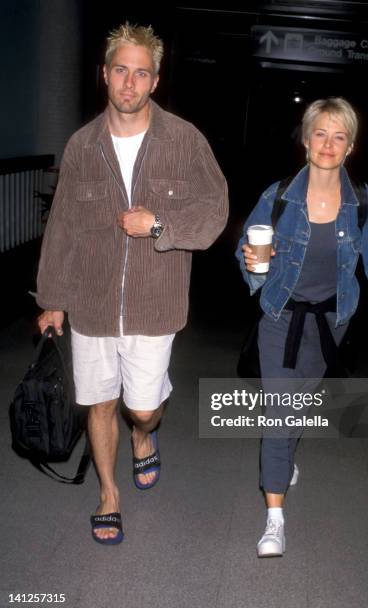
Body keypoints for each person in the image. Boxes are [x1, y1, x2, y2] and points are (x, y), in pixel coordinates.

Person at [36, 22, 228, 545]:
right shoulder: (82, 146)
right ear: (105, 74)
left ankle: (144, 435)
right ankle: (108, 494)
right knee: (98, 401)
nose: (129, 83)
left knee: (140, 406)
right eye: (121, 70)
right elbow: (62, 226)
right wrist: (53, 298)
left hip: (155, 302)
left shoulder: (185, 140)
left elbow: (215, 211)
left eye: (141, 73)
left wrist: (159, 226)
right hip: (92, 302)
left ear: (155, 81)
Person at [236, 97, 368, 557]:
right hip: (279, 318)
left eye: (339, 136)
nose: (328, 144)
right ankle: (275, 518)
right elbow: (246, 252)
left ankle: (286, 457)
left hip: (330, 325)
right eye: (320, 133)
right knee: (279, 415)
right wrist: (255, 265)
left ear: (350, 146)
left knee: (295, 406)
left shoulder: (366, 205)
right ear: (306, 139)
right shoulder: (277, 197)